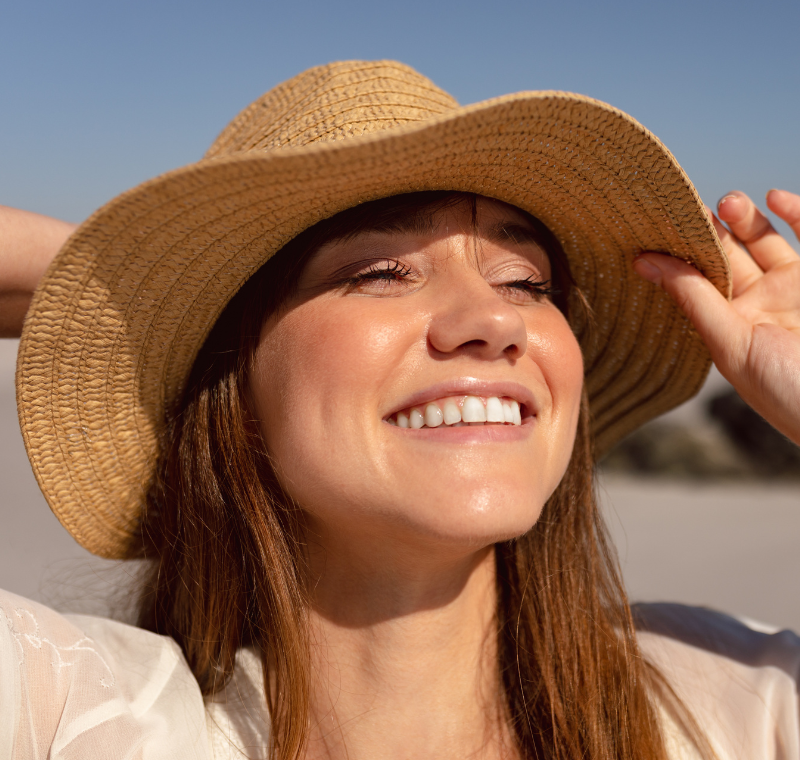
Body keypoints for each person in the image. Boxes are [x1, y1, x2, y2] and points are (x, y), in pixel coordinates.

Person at [0, 60, 798, 760]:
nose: (495, 320)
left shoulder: (740, 704)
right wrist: (126, 300)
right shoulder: (74, 714)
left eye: (526, 282)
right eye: (381, 271)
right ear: (234, 377)